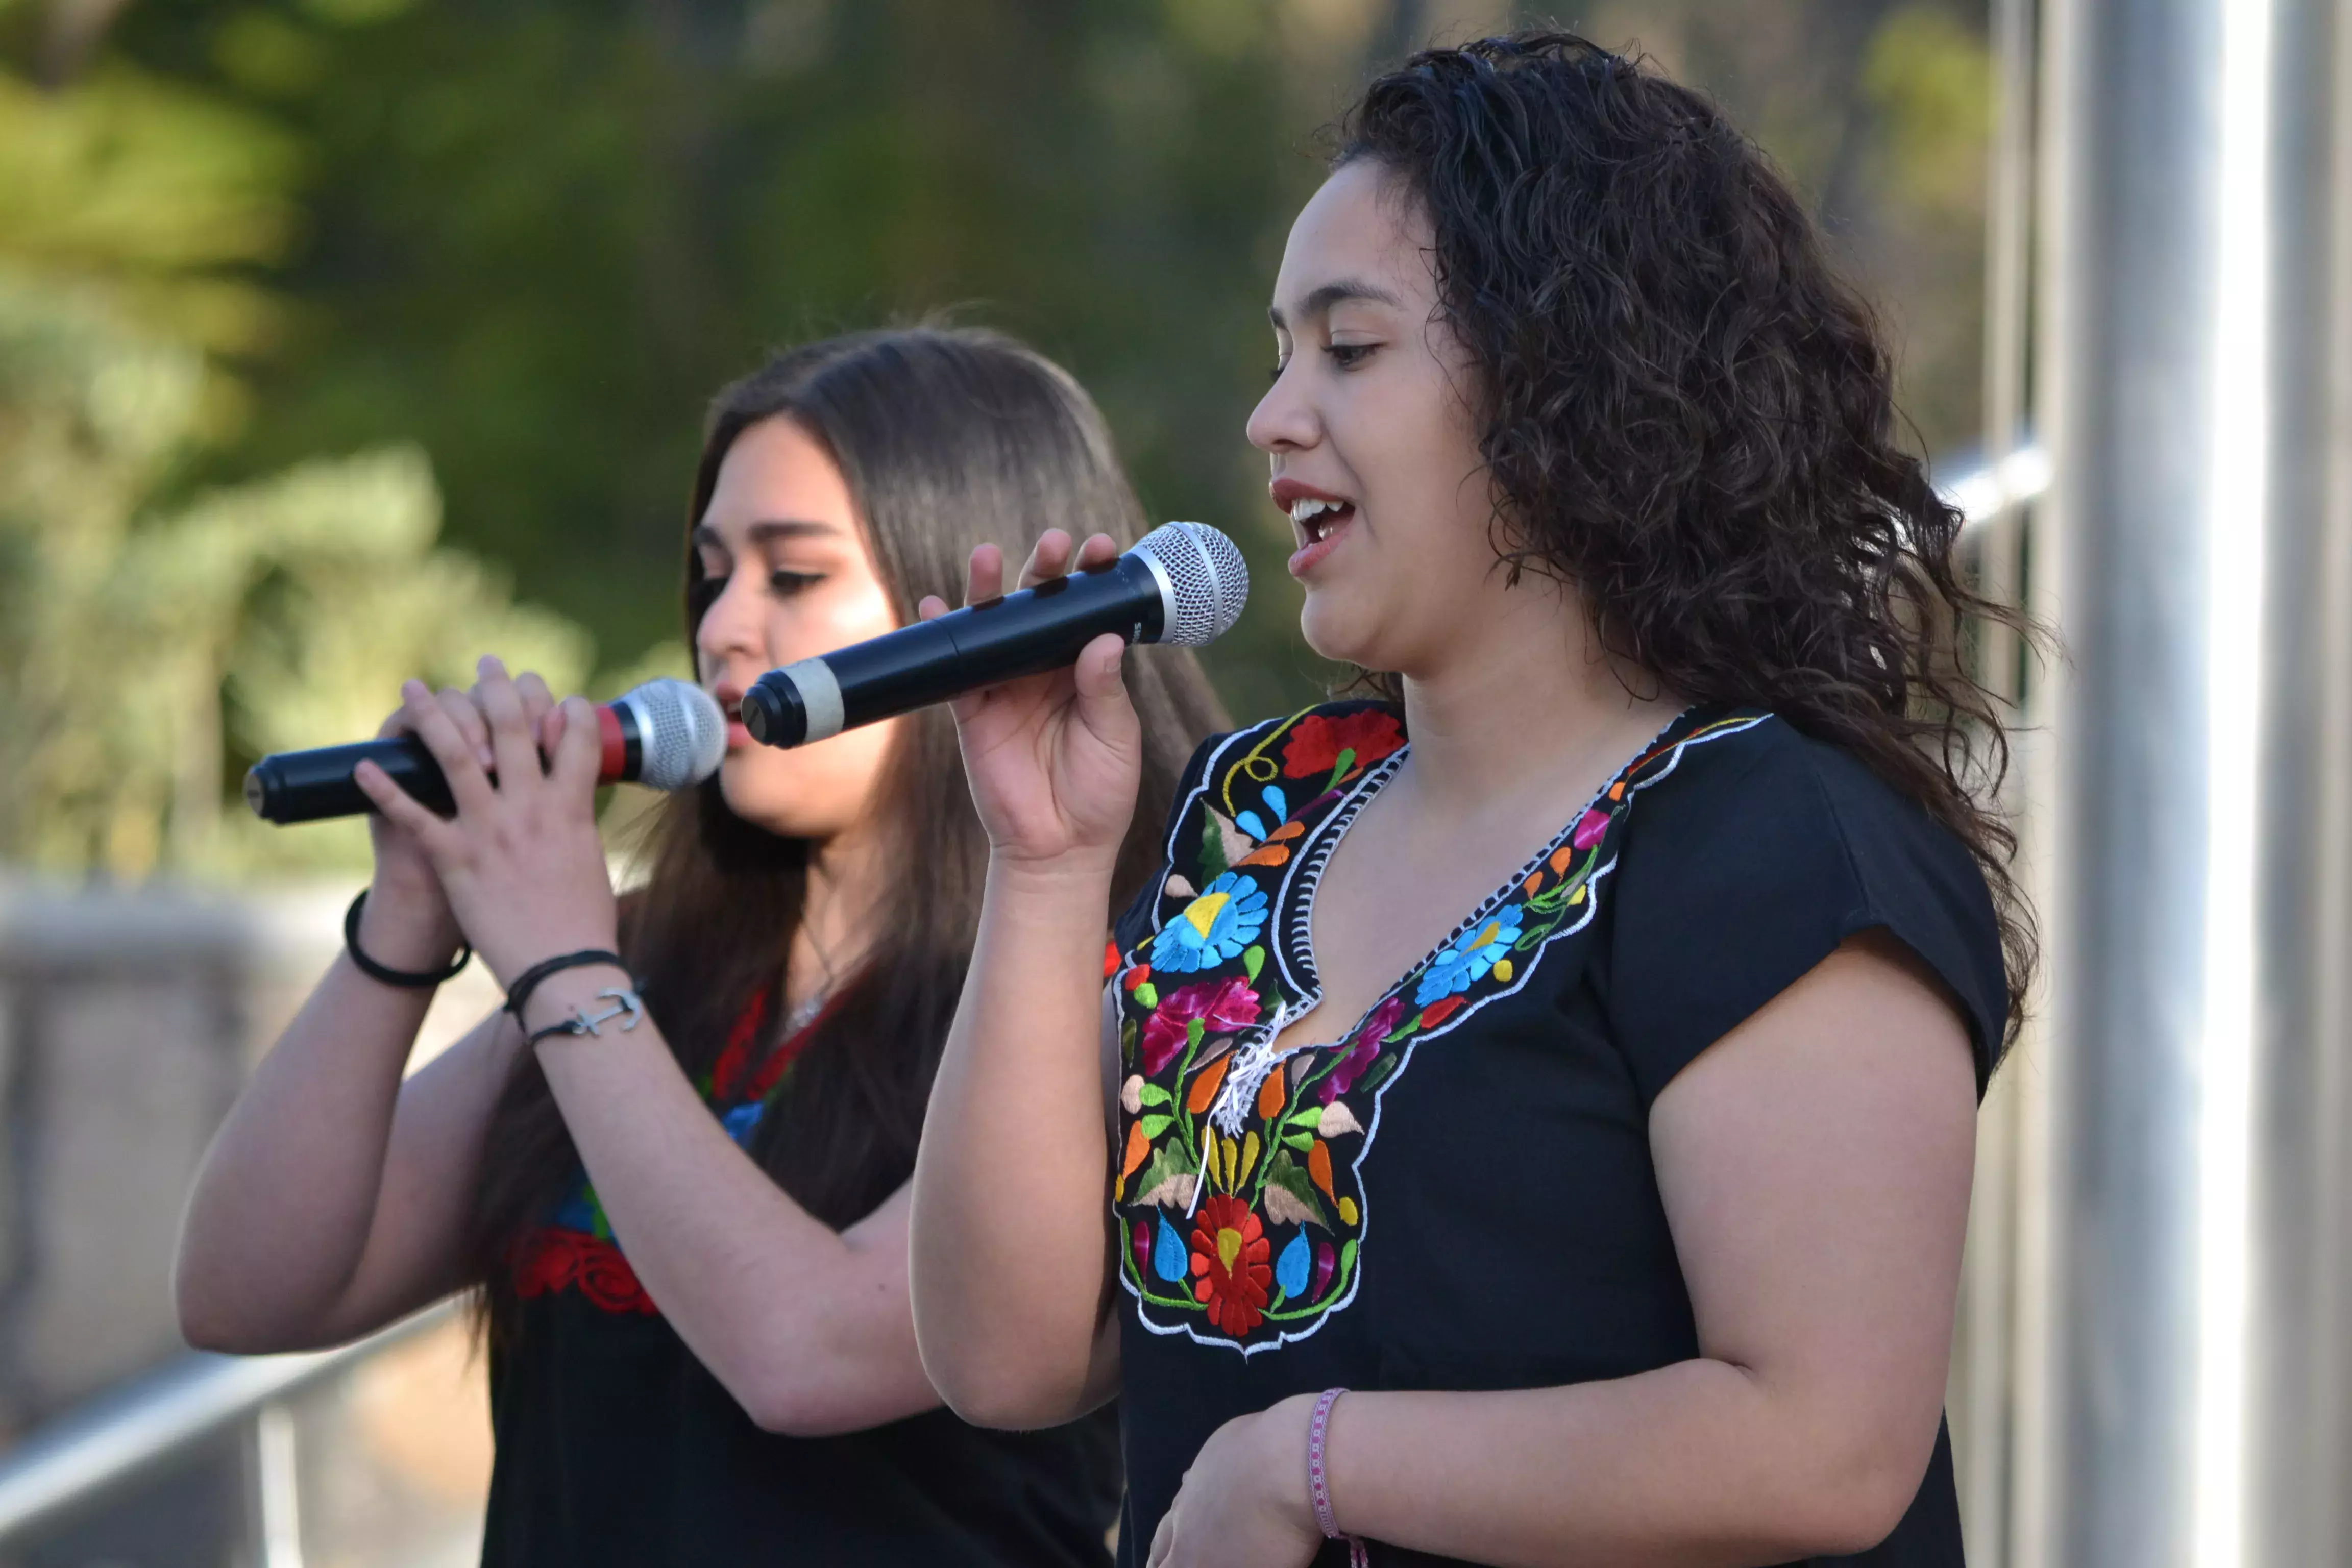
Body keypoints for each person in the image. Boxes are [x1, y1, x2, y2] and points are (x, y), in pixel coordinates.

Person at [908, 35, 2030, 1568]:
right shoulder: (1262, 817)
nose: (1271, 418)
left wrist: (1308, 1464)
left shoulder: (1767, 832)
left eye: (1348, 350)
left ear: (1569, 383)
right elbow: (1009, 1358)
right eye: (1276, 350)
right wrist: (1040, 868)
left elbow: (1820, 1442)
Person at [175, 327, 1227, 1565]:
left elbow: (810, 1355)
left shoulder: (1117, 982)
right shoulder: (645, 966)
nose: (725, 628)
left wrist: (563, 971)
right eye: (710, 576)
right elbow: (246, 1290)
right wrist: (407, 922)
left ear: (959, 605)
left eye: (793, 579)